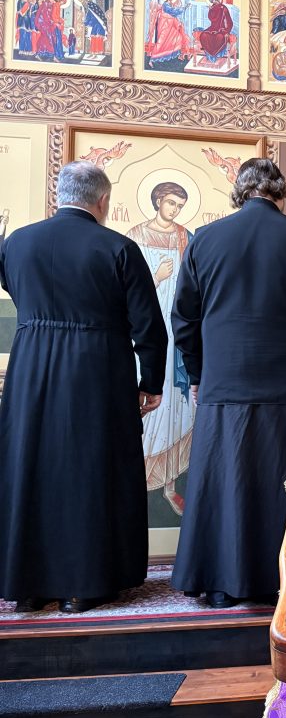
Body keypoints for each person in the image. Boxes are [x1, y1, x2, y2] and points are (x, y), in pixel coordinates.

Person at [170, 158, 286, 608]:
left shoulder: (205, 239)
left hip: (225, 384)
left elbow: (184, 320)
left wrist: (198, 374)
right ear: (281, 194)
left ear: (239, 192)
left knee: (225, 480)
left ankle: (221, 585)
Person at [0, 161, 167, 613]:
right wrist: (151, 381)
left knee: (32, 466)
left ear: (60, 194)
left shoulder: (16, 243)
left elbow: (16, 291)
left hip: (31, 367)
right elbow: (148, 325)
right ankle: (83, 586)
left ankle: (29, 585)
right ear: (103, 200)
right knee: (91, 469)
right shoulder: (119, 247)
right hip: (98, 370)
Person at [126, 182, 194, 513]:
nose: (174, 210)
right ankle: (134, 479)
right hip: (147, 330)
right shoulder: (135, 237)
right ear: (157, 201)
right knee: (149, 401)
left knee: (176, 406)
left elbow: (194, 284)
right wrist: (156, 277)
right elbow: (127, 289)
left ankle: (170, 485)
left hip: (177, 330)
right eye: (170, 203)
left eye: (179, 205)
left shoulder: (185, 237)